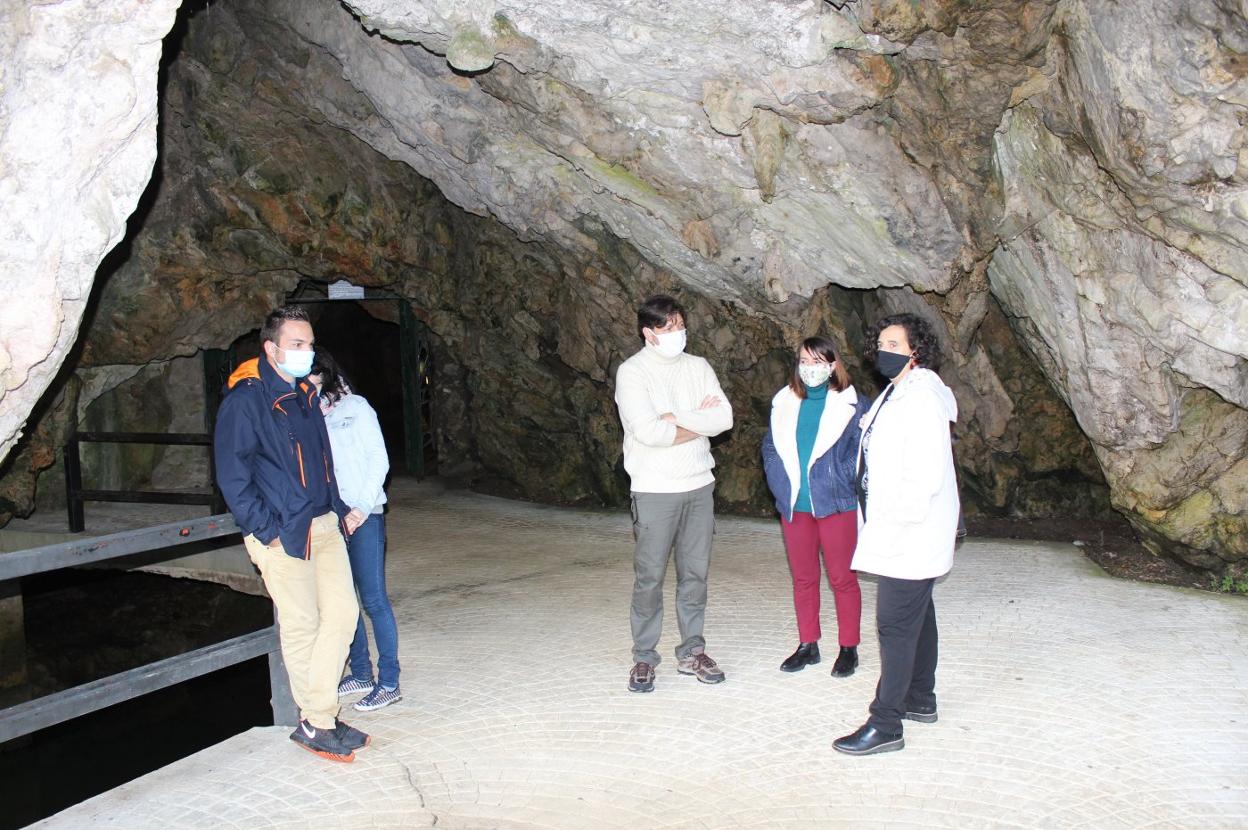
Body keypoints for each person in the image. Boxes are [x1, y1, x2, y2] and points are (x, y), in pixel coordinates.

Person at [214, 306, 368, 763]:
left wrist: (338, 510)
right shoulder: (246, 399)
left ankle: (316, 716)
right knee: (302, 625)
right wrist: (265, 529)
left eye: (309, 344)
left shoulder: (304, 392)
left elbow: (322, 462)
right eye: (297, 345)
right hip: (282, 530)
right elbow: (232, 473)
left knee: (342, 614)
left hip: (322, 523)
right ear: (272, 348)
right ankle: (320, 719)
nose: (306, 353)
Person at [834, 312, 960, 756]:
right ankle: (920, 699)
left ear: (916, 350)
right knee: (918, 614)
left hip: (910, 527)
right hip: (898, 524)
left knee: (894, 624)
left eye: (895, 344)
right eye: (881, 343)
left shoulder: (922, 397)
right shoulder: (899, 390)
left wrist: (895, 524)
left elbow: (923, 473)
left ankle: (886, 722)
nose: (885, 351)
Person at [614, 295, 734, 693]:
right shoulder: (632, 373)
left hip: (699, 484)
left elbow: (724, 418)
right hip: (654, 490)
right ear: (649, 333)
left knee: (694, 575)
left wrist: (676, 418)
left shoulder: (698, 367)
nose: (677, 333)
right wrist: (699, 422)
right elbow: (648, 432)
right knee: (649, 578)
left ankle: (693, 651)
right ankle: (644, 658)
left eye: (680, 325)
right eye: (668, 327)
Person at [762, 336, 871, 677]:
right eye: (804, 362)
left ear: (833, 364)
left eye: (817, 362)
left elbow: (862, 452)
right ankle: (808, 644)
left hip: (836, 503)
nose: (810, 369)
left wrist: (838, 477)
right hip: (796, 505)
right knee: (804, 577)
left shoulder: (855, 404)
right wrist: (779, 482)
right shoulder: (784, 401)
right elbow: (770, 446)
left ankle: (848, 647)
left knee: (842, 578)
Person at [309, 351, 402, 713]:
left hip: (364, 514)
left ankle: (389, 680)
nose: (311, 387)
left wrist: (361, 508)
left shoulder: (356, 408)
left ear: (328, 375)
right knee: (344, 601)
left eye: (316, 380)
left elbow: (379, 459)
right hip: (332, 517)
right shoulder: (311, 416)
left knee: (373, 599)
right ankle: (361, 671)